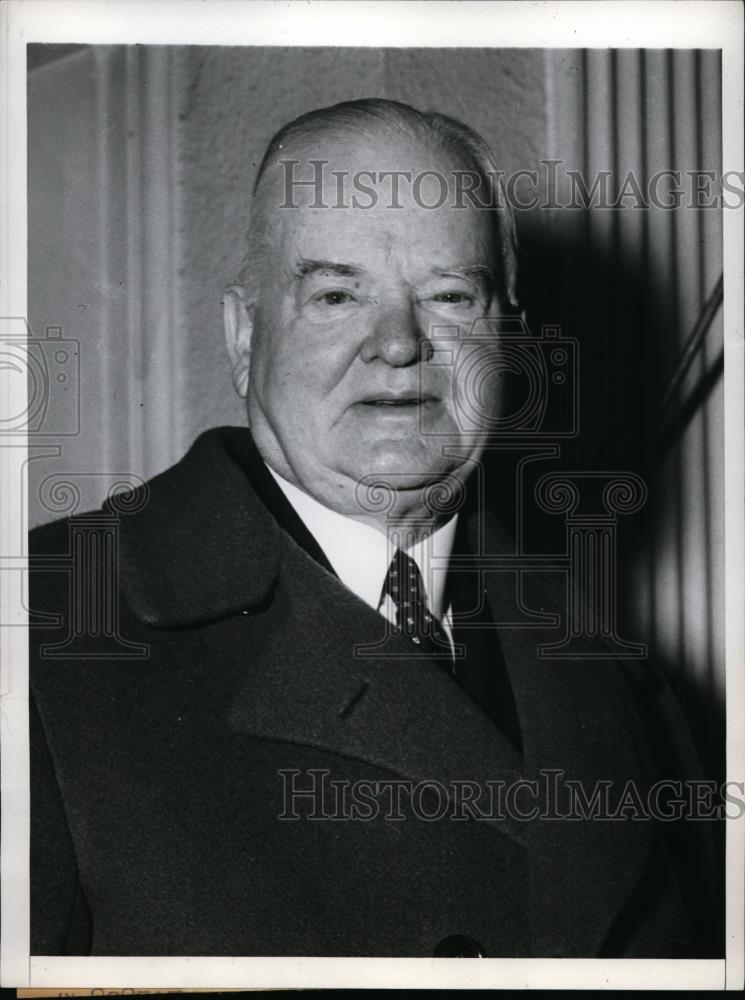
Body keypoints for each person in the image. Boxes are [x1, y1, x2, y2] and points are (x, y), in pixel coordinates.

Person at [29, 98, 720, 958]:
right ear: (245, 337)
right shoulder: (45, 626)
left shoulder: (618, 669)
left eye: (448, 295)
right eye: (334, 294)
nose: (398, 343)